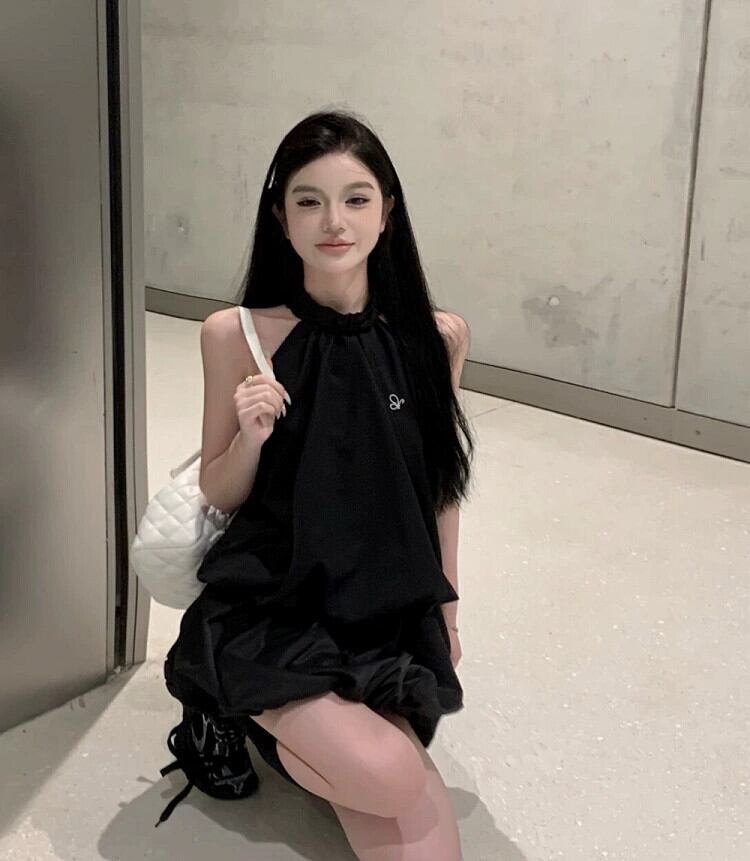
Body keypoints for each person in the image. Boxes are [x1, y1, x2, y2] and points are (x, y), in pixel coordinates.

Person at [158, 109, 476, 859]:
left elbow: (439, 486)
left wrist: (448, 613)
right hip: (273, 607)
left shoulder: (436, 338)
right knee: (392, 776)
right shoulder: (235, 334)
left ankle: (314, 741)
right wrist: (250, 437)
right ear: (281, 216)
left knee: (422, 834)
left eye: (356, 199)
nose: (334, 222)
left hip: (382, 609)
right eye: (309, 201)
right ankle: (225, 708)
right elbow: (219, 493)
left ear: (387, 212)